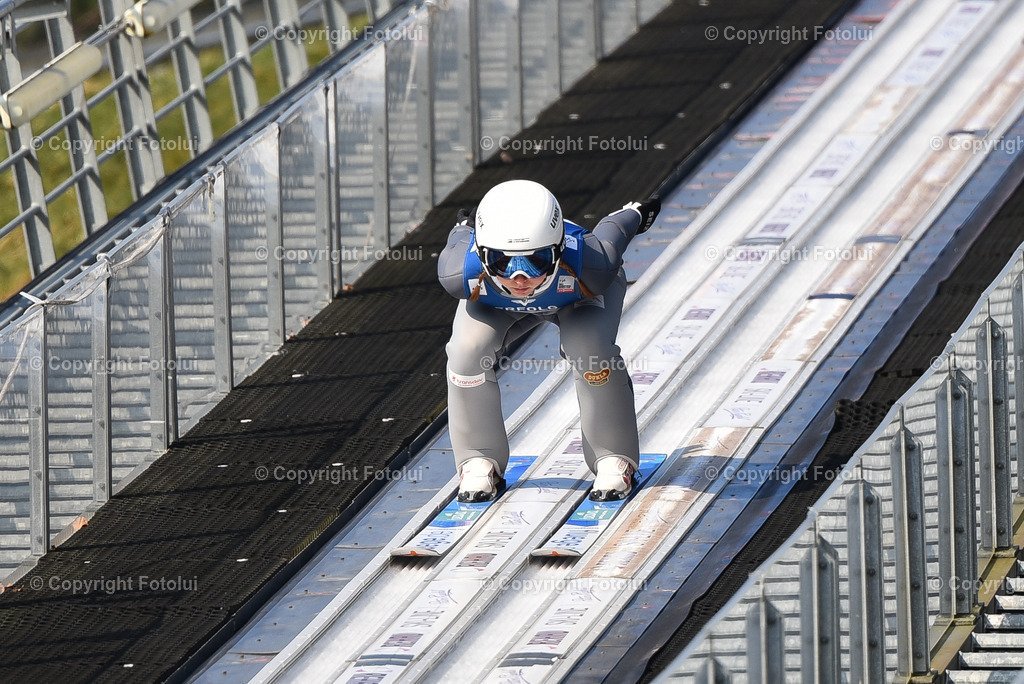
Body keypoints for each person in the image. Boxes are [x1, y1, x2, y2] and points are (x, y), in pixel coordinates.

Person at [437, 179, 660, 503]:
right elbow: (459, 237)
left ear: (558, 250)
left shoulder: (592, 264)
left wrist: (637, 213)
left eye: (535, 260)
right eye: (503, 262)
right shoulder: (459, 274)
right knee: (465, 352)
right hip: (499, 304)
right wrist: (463, 226)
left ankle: (613, 455)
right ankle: (477, 457)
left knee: (590, 350)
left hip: (576, 298)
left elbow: (615, 229)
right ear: (481, 254)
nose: (519, 278)